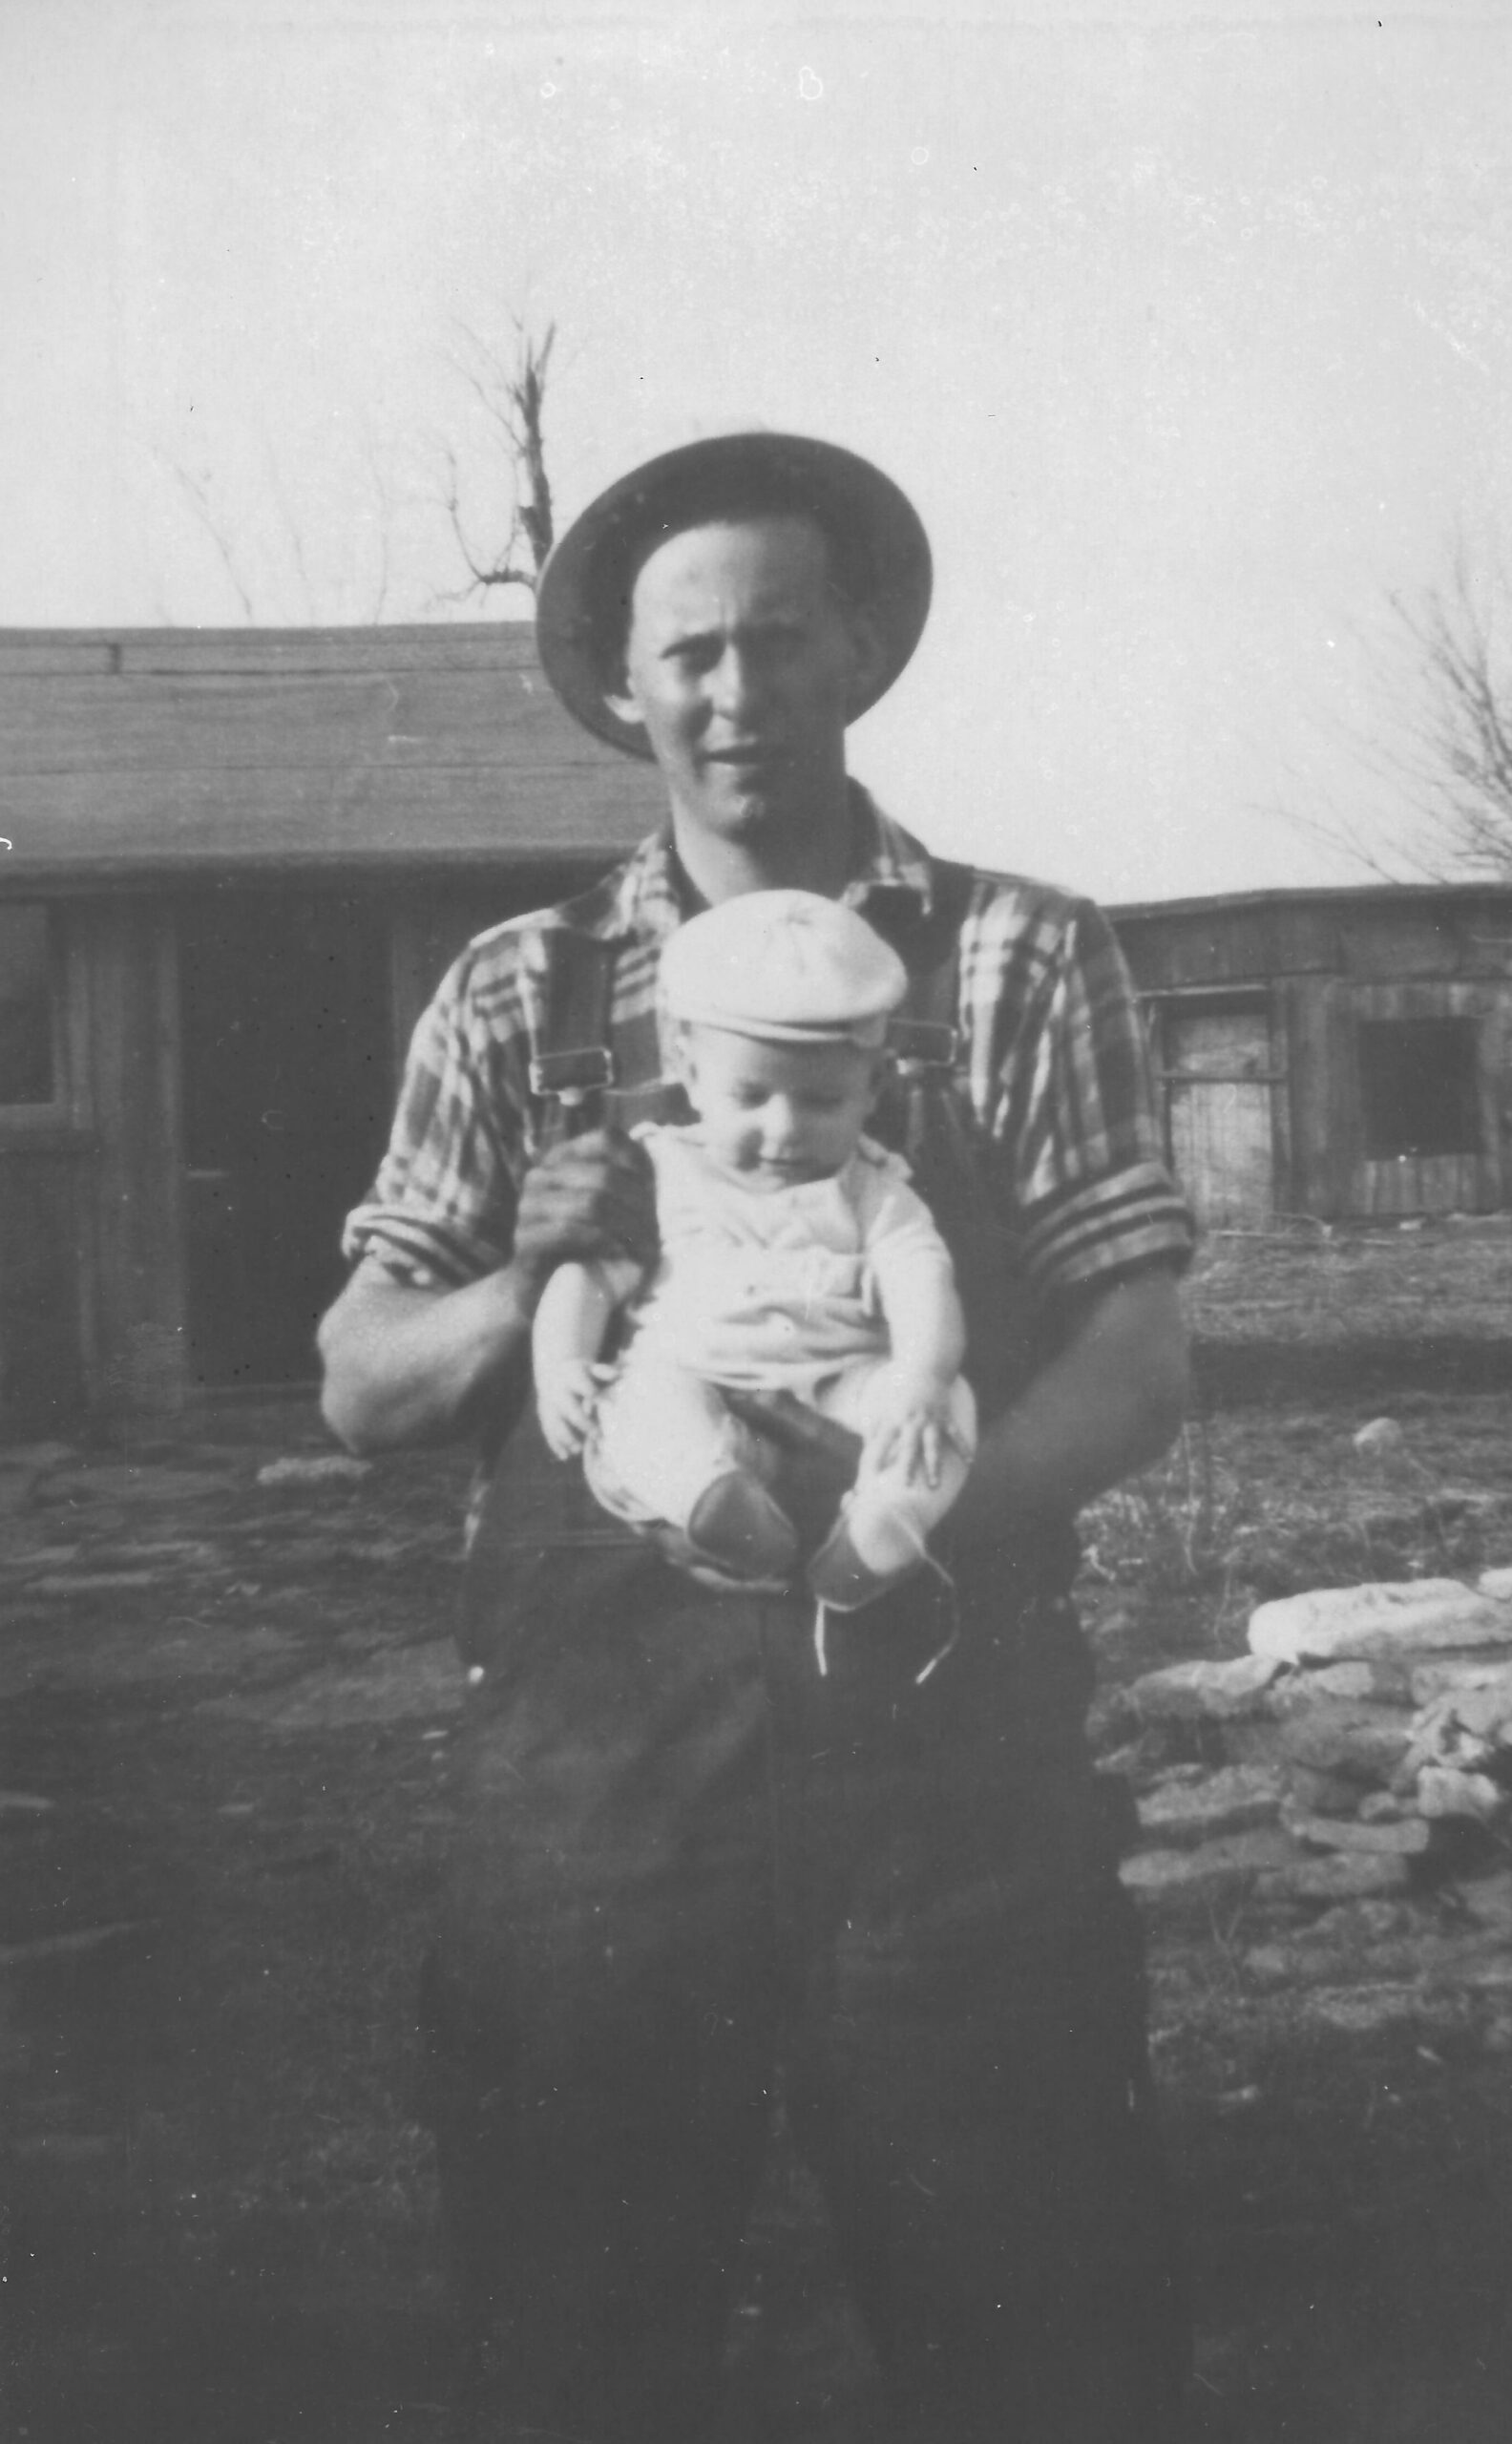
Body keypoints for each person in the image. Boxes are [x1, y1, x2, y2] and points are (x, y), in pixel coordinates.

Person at [319, 430, 1198, 2444]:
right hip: (598, 1794)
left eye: (777, 640)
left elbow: (1139, 1359)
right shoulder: (515, 994)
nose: (734, 695)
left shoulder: (1011, 959)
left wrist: (909, 1511)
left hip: (948, 1764)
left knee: (1045, 2340)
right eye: (688, 653)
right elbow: (358, 1380)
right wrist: (512, 1280)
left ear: (858, 648)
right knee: (573, 2342)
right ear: (624, 686)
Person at [530, 889, 977, 1612]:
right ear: (689, 1068)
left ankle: (883, 1528)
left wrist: (922, 1379)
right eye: (751, 1096)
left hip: (844, 1386)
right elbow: (589, 1278)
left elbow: (925, 1282)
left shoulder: (875, 1192)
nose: (784, 1131)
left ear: (872, 1088)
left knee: (947, 1406)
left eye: (822, 1102)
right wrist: (560, 1365)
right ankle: (713, 1500)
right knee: (639, 1403)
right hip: (696, 1375)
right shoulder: (662, 1173)